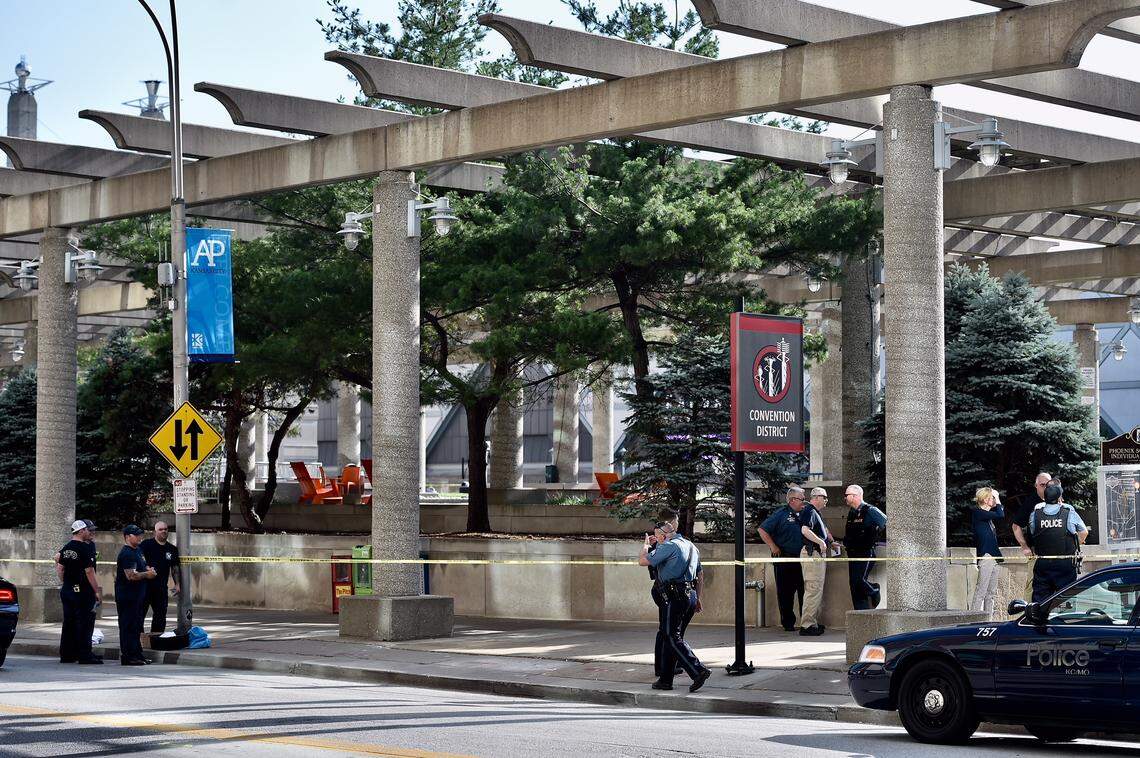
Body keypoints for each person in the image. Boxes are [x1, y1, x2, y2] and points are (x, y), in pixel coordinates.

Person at [638, 509, 711, 693]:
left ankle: (698, 670)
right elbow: (700, 574)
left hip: (673, 595)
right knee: (671, 636)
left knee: (671, 636)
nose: (657, 539)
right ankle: (665, 679)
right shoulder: (691, 545)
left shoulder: (668, 546)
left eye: (658, 536)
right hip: (689, 595)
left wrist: (646, 546)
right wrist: (697, 597)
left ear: (663, 534)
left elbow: (642, 561)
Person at [1027, 482, 1088, 603]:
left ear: (1045, 498)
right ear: (1059, 498)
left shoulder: (1035, 515)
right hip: (1065, 564)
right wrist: (1075, 544)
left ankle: (1040, 621)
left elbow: (1032, 534)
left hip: (1043, 564)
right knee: (1067, 601)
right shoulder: (1068, 513)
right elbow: (1084, 532)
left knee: (1040, 602)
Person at [758, 487, 809, 631]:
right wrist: (773, 546)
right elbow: (762, 530)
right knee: (785, 593)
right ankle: (788, 624)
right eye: (802, 499)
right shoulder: (781, 514)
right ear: (792, 500)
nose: (804, 502)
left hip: (803, 559)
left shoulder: (805, 513)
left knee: (804, 592)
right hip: (784, 558)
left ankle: (806, 623)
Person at [55, 520, 102, 664]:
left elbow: (60, 567)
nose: (91, 532)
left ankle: (67, 654)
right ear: (81, 531)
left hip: (68, 590)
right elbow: (89, 571)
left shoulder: (67, 547)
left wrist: (67, 582)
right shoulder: (84, 548)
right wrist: (96, 591)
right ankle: (84, 655)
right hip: (83, 592)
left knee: (69, 623)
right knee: (85, 624)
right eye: (89, 530)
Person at [115, 525, 156, 666]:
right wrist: (147, 574)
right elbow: (131, 576)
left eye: (140, 534)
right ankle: (128, 656)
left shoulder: (137, 550)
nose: (140, 537)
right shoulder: (127, 553)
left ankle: (137, 654)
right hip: (127, 597)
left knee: (137, 626)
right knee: (128, 626)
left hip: (138, 595)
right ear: (127, 536)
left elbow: (141, 568)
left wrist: (147, 569)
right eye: (136, 535)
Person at [842, 484, 887, 611]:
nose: (845, 498)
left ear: (855, 496)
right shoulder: (852, 512)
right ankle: (860, 612)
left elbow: (887, 523)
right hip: (852, 552)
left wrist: (877, 538)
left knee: (859, 580)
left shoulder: (870, 510)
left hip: (866, 552)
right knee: (854, 585)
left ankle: (874, 590)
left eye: (847, 495)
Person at [797, 487, 835, 636]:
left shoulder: (815, 512)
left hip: (815, 554)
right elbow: (805, 530)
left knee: (815, 590)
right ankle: (807, 626)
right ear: (816, 497)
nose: (826, 500)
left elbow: (822, 531)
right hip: (812, 553)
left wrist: (830, 542)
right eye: (824, 497)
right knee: (813, 589)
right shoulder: (809, 511)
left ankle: (812, 622)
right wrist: (821, 542)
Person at [1012, 472, 1051, 601]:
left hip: (1056, 553)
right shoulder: (1031, 503)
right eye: (1042, 485)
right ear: (1036, 486)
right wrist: (1024, 546)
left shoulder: (1058, 500)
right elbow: (1016, 526)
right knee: (1032, 585)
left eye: (1048, 484)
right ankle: (1027, 614)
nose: (1046, 487)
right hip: (1036, 553)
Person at [969, 487, 1004, 617]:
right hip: (986, 557)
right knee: (981, 591)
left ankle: (989, 620)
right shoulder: (978, 513)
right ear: (985, 499)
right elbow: (1000, 514)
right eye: (992, 497)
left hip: (994, 557)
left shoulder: (987, 518)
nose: (994, 499)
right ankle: (973, 619)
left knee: (991, 593)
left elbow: (998, 514)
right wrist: (998, 499)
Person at [140, 521, 180, 634]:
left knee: (160, 615)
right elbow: (139, 560)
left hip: (161, 588)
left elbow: (175, 568)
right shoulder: (146, 544)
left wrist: (177, 584)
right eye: (161, 529)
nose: (164, 531)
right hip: (145, 587)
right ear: (155, 532)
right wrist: (146, 568)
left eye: (166, 529)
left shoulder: (172, 549)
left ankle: (156, 639)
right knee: (140, 614)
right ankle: (139, 640)